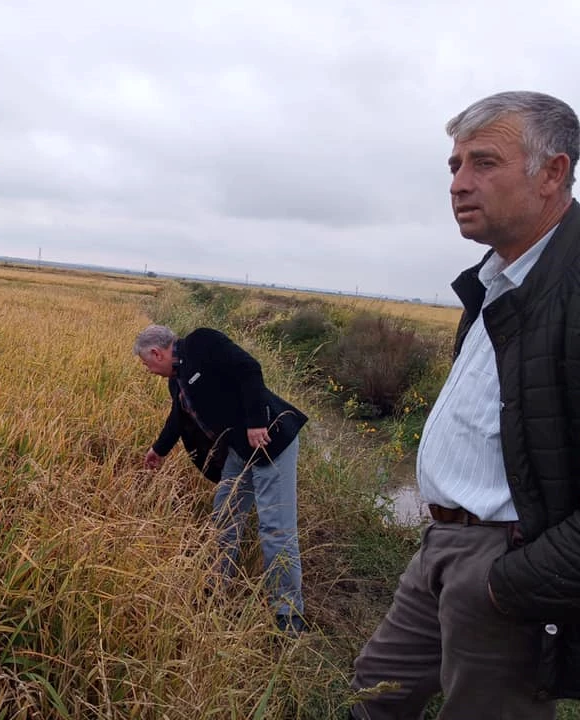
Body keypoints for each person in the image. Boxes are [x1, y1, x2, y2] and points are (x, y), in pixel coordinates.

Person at [350, 91, 580, 719]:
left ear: (552, 172)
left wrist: (509, 584)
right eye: (454, 166)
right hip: (440, 545)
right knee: (375, 692)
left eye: (483, 163)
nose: (459, 183)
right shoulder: (494, 280)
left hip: (507, 562)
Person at [134, 324, 308, 632]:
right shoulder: (177, 384)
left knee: (275, 528)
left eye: (146, 363)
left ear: (156, 353)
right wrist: (158, 450)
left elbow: (249, 368)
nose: (148, 370)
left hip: (270, 442)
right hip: (239, 452)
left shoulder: (202, 342)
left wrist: (256, 422)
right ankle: (215, 586)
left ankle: (288, 616)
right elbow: (178, 417)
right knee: (224, 517)